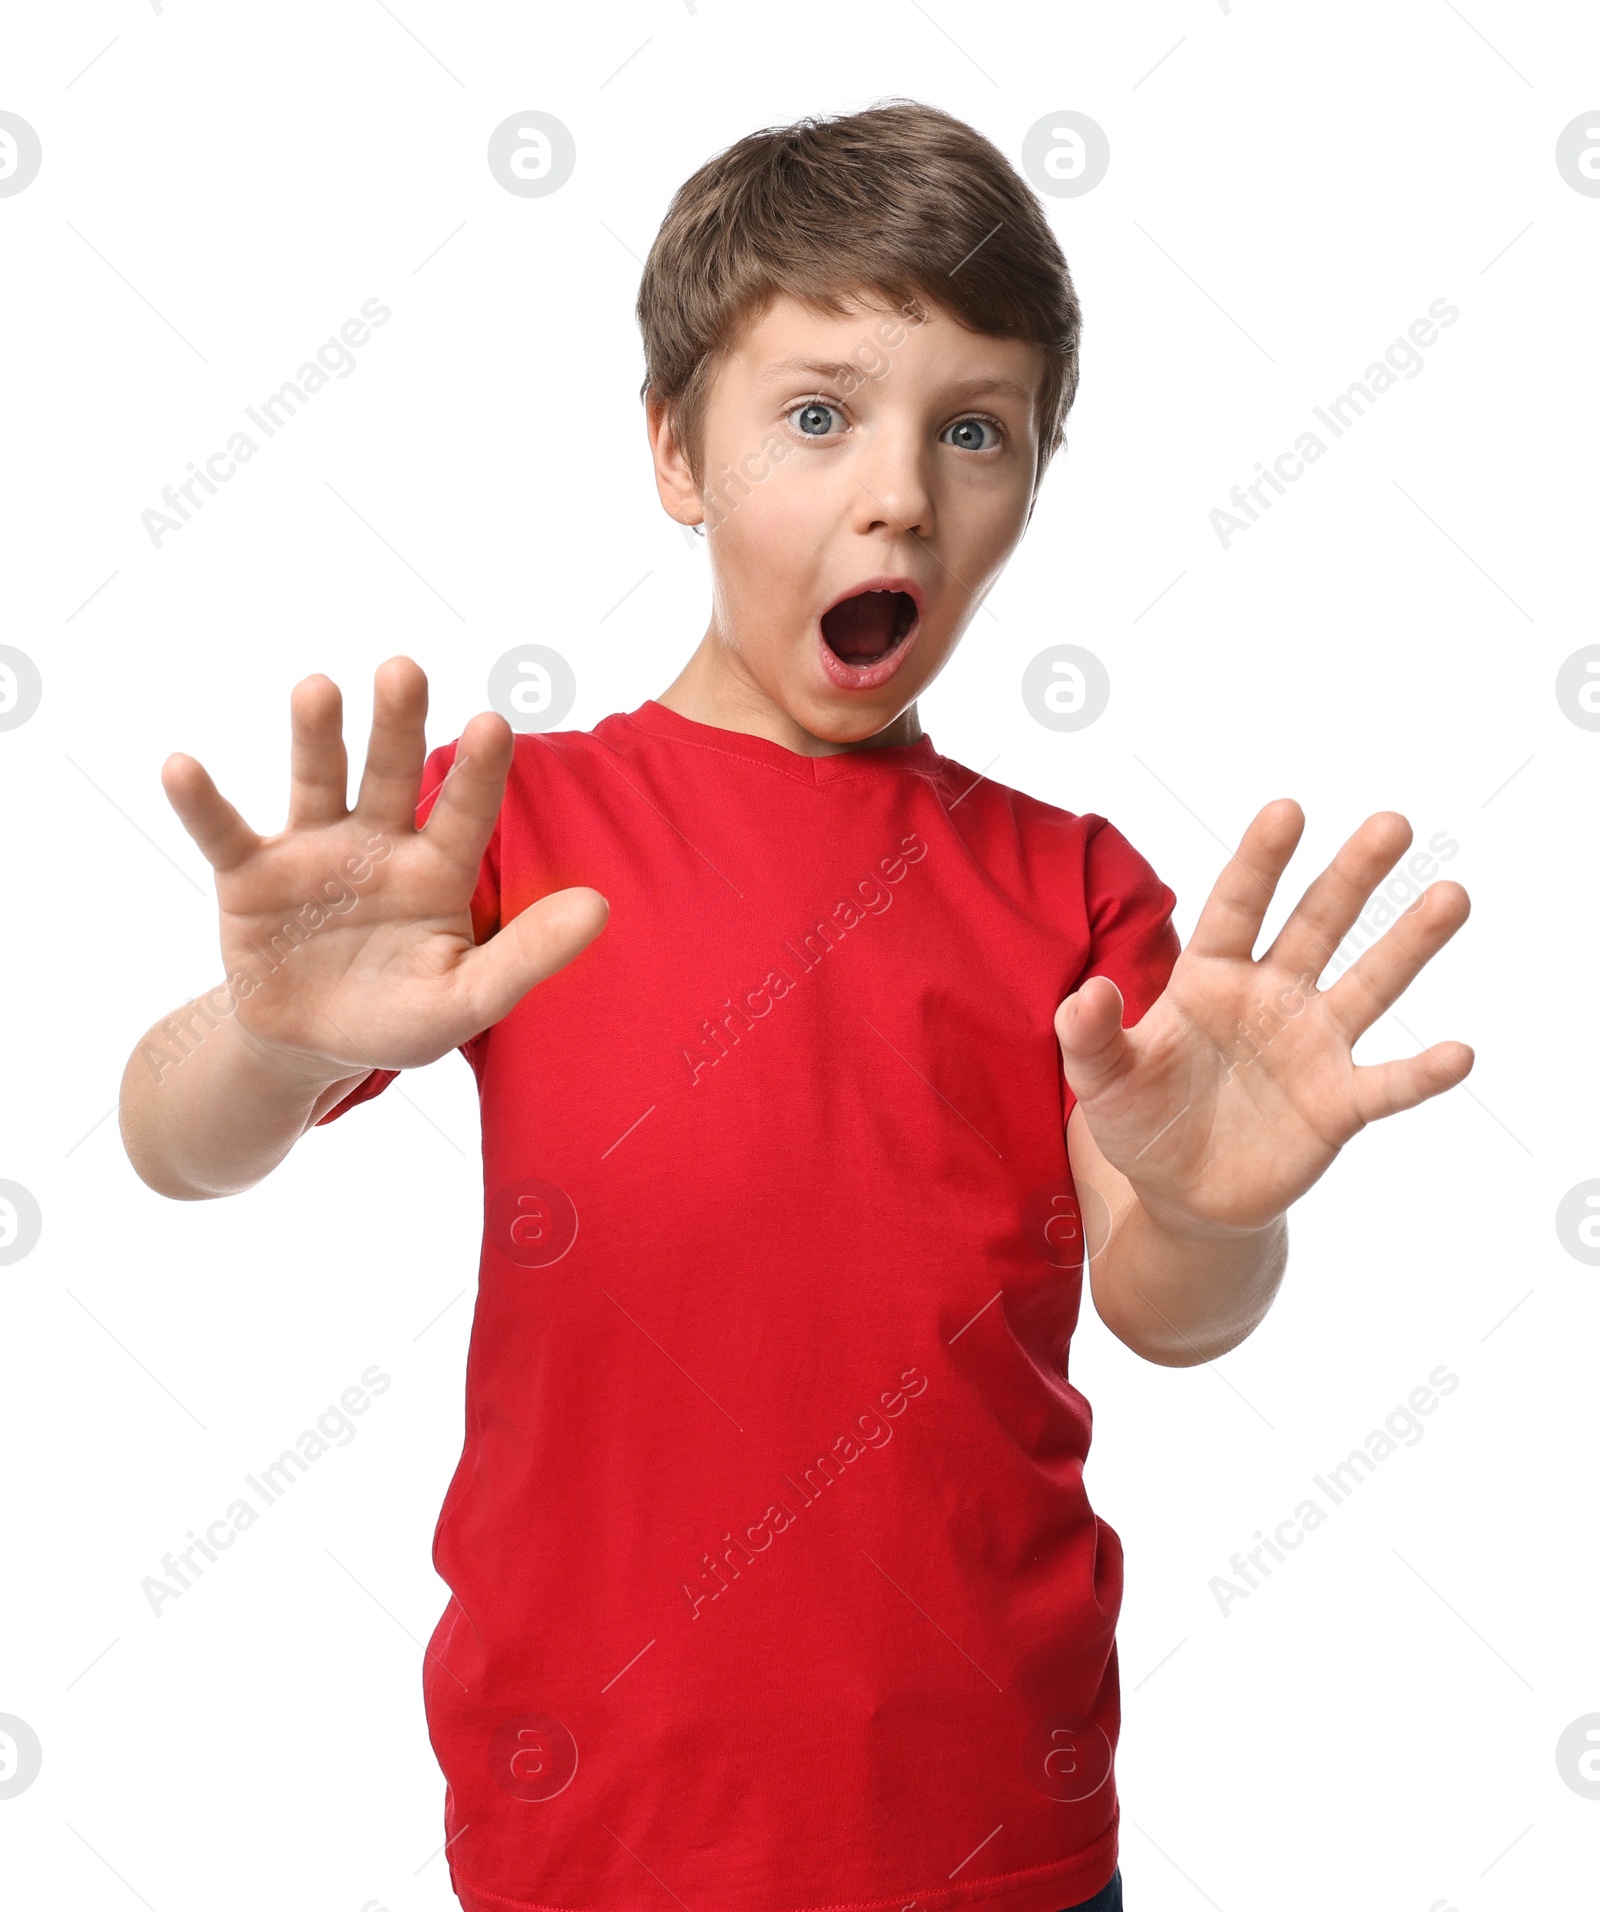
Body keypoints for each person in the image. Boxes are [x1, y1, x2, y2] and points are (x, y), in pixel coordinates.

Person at [119, 100, 1472, 1912]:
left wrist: (1227, 1211)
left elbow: (1172, 1306)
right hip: (597, 1829)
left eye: (972, 431)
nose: (898, 489)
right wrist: (274, 1042)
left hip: (1003, 1832)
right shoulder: (507, 826)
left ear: (1027, 489)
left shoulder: (1073, 886)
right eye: (817, 415)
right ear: (679, 451)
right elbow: (170, 1142)